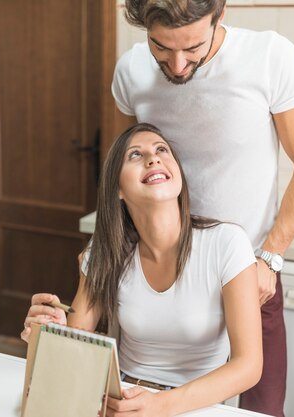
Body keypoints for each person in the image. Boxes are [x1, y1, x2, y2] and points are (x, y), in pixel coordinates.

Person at [112, 1, 294, 416]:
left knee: (261, 409)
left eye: (192, 47)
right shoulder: (130, 71)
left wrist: (270, 257)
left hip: (250, 270)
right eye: (160, 47)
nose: (176, 66)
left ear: (219, 16)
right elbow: (123, 165)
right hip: (162, 271)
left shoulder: (269, 58)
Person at [22, 123, 263, 416]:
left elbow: (249, 366)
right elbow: (74, 342)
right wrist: (47, 332)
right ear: (119, 189)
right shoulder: (104, 252)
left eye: (162, 150)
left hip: (196, 407)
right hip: (121, 400)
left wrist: (160, 406)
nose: (153, 158)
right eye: (135, 155)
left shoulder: (226, 243)